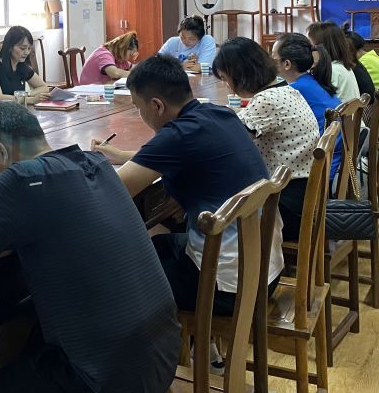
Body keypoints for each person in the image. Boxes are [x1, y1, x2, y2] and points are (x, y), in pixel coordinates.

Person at [0, 102, 178, 393]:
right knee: (28, 331)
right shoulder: (96, 162)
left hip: (103, 380)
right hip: (159, 354)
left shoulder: (23, 179)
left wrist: (1, 241)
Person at [92, 55, 283, 318]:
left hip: (224, 287)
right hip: (265, 269)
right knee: (157, 245)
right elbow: (175, 156)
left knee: (109, 276)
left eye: (138, 107)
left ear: (157, 105)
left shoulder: (177, 135)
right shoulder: (220, 114)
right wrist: (122, 156)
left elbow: (110, 193)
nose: (140, 114)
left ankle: (157, 341)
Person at [211, 38, 320, 242]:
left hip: (285, 208)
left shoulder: (267, 100)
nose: (228, 87)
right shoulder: (285, 89)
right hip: (303, 198)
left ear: (240, 73)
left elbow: (229, 139)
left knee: (210, 206)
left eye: (226, 79)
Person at [271, 33, 345, 192]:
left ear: (287, 64)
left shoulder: (295, 91)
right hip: (334, 160)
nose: (270, 62)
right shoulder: (311, 82)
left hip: (322, 170)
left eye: (274, 58)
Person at [0, 26, 51, 104]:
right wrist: (30, 99)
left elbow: (44, 87)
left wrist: (26, 94)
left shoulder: (21, 66)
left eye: (29, 48)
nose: (26, 52)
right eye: (22, 48)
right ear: (10, 47)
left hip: (18, 108)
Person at [306, 21, 362, 101]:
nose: (308, 52)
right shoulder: (340, 66)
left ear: (322, 48)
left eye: (310, 47)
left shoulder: (331, 71)